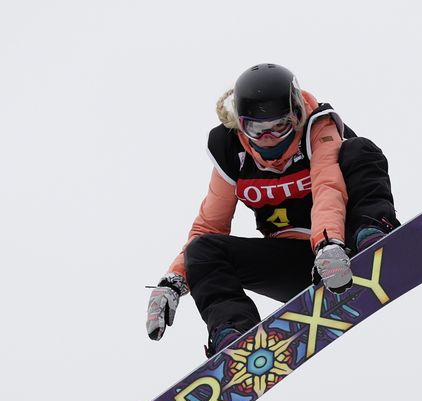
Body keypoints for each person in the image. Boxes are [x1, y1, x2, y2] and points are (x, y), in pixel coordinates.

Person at [145, 63, 399, 358]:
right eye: (257, 129)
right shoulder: (233, 153)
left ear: (296, 115)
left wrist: (330, 245)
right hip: (293, 261)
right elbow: (209, 224)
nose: (270, 137)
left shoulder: (317, 129)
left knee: (359, 150)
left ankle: (374, 234)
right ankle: (234, 334)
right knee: (203, 249)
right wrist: (173, 281)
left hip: (342, 244)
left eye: (280, 126)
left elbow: (328, 187)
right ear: (241, 125)